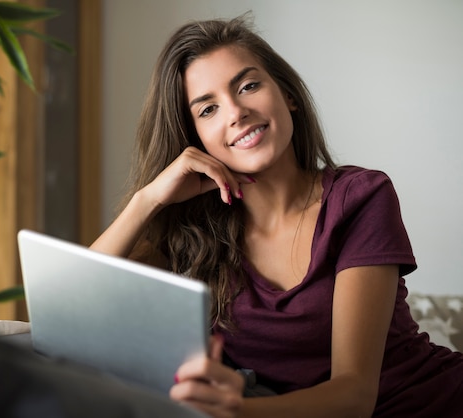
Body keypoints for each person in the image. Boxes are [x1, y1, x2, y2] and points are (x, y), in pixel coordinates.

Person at [90, 14, 463, 418]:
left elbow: (354, 397)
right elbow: (76, 307)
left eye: (248, 86)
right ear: (193, 137)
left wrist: (239, 412)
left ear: (287, 95)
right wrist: (148, 199)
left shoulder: (360, 198)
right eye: (208, 109)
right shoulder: (192, 236)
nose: (235, 112)